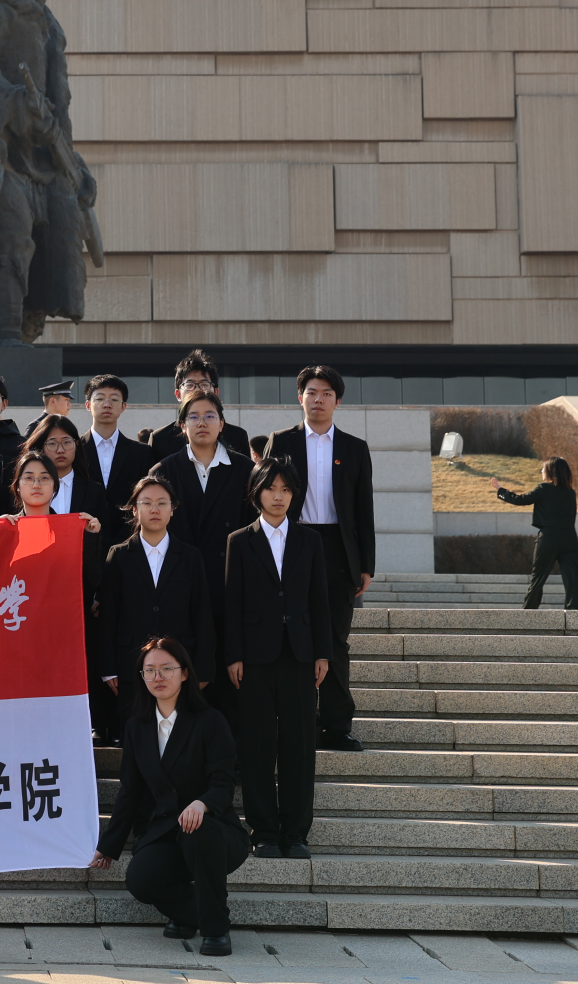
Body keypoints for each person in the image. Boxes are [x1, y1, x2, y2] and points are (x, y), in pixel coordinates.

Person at [88, 635, 247, 957]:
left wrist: (202, 803)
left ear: (184, 673)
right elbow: (130, 792)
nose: (158, 677)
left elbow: (223, 782)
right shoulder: (136, 727)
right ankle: (191, 915)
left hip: (214, 831)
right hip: (163, 831)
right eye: (149, 670)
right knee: (141, 880)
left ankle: (215, 931)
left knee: (197, 831)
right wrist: (109, 845)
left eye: (166, 668)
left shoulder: (210, 721)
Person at [223, 456, 331, 861]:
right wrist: (233, 655)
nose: (279, 496)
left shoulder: (310, 540)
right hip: (254, 658)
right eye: (271, 488)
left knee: (299, 746)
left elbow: (320, 601)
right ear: (257, 493)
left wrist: (322, 653)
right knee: (258, 746)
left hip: (300, 655)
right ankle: (264, 831)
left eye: (286, 489)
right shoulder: (239, 540)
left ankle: (296, 833)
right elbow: (232, 603)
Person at [265, 366, 375, 753]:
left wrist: (366, 565)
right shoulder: (281, 441)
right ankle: (302, 721)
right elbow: (263, 497)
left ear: (337, 401)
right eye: (311, 392)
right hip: (292, 545)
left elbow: (363, 509)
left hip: (338, 551)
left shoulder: (354, 448)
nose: (318, 399)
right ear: (300, 397)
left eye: (327, 393)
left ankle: (337, 724)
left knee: (335, 642)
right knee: (295, 639)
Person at [21, 413, 119, 737]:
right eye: (52, 443)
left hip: (80, 595)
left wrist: (98, 593)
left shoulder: (94, 491)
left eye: (67, 442)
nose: (60, 449)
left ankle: (92, 725)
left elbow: (105, 546)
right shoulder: (27, 489)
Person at [159, 391, 253, 711]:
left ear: (222, 424)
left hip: (229, 585)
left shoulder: (245, 470)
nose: (202, 423)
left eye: (210, 416)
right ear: (182, 426)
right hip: (180, 585)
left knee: (229, 680)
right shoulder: (164, 470)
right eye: (194, 417)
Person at [99, 477, 214, 720]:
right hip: (131, 666)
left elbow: (201, 613)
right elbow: (108, 615)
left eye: (162, 503)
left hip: (179, 665)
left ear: (172, 509)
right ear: (134, 509)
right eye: (147, 503)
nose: (154, 509)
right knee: (135, 732)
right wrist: (108, 669)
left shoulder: (190, 557)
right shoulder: (118, 555)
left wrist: (203, 668)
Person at [494, 458, 578, 610]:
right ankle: (574, 610)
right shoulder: (570, 493)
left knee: (539, 577)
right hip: (569, 537)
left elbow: (520, 500)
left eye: (543, 469)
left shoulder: (544, 488)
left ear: (551, 471)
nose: (541, 471)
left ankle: (529, 610)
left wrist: (501, 490)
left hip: (549, 537)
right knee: (573, 578)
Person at [142, 352, 250, 462]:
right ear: (178, 394)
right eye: (189, 385)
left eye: (204, 385)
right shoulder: (160, 438)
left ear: (216, 393)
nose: (197, 390)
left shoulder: (237, 436)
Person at [74, 375, 162, 509]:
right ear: (88, 405)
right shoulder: (74, 449)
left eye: (114, 399)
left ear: (123, 406)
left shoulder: (141, 453)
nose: (107, 404)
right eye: (100, 399)